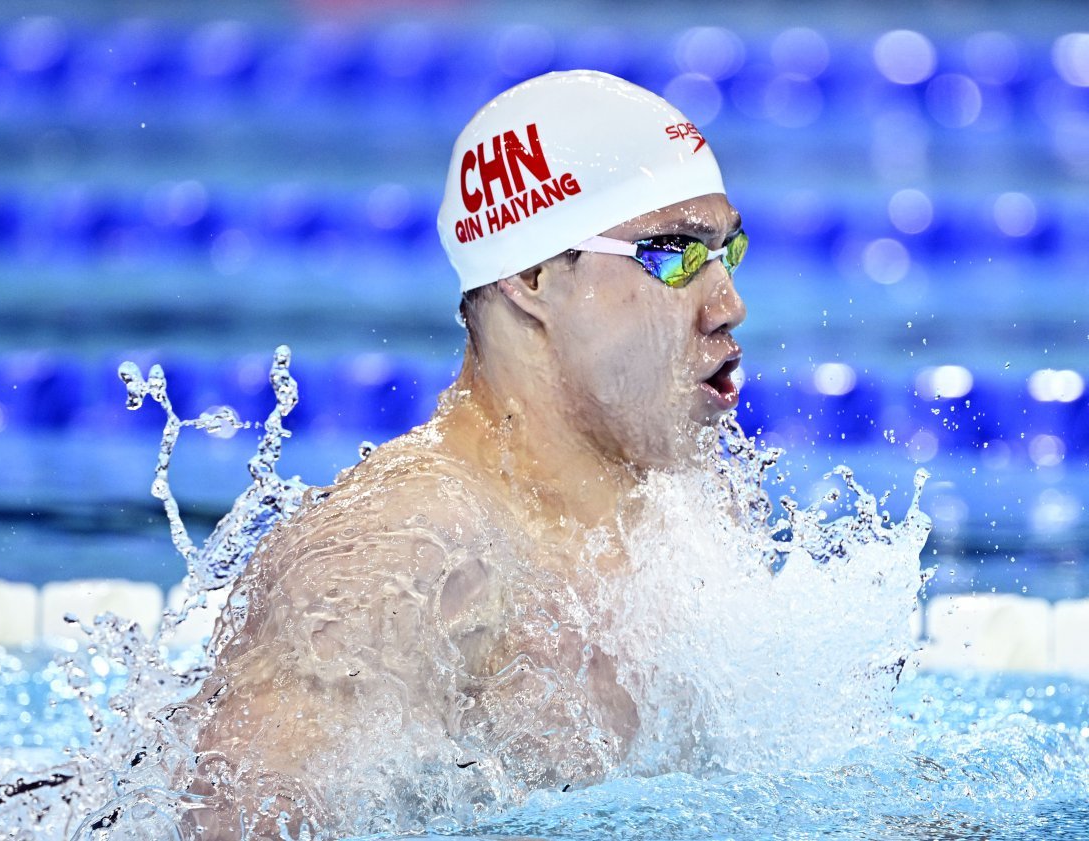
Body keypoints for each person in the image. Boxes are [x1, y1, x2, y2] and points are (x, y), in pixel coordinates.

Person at [179, 69, 748, 838]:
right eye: (674, 255)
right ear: (534, 276)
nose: (727, 303)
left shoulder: (682, 515)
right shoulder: (403, 564)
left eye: (727, 252)